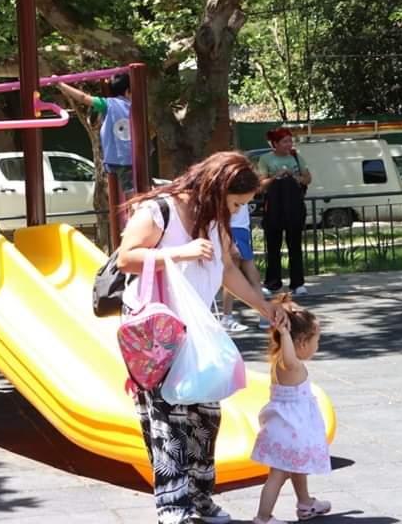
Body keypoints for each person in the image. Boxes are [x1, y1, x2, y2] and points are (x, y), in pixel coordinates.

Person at [116, 151, 288, 524]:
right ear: (216, 189)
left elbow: (226, 270)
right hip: (158, 330)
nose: (238, 210)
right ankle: (173, 506)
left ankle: (200, 498)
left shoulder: (215, 219)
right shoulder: (159, 210)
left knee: (207, 415)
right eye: (236, 203)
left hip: (197, 330)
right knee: (168, 416)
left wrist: (263, 307)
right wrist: (180, 253)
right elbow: (125, 258)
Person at [251, 299, 331, 524]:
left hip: (286, 427)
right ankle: (263, 517)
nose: (317, 346)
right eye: (316, 341)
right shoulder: (290, 364)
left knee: (296, 466)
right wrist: (285, 333)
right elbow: (289, 356)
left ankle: (305, 502)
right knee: (278, 475)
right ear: (302, 342)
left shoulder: (279, 359)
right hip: (291, 430)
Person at [55, 73, 135, 194]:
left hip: (111, 159)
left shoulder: (107, 104)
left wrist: (60, 84)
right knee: (132, 193)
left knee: (121, 192)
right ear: (128, 91)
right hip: (128, 158)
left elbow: (83, 97)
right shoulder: (135, 107)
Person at [258, 128, 311, 297]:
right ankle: (272, 283)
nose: (289, 144)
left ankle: (298, 283)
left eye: (290, 141)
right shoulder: (265, 159)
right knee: (273, 247)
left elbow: (307, 178)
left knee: (295, 246)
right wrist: (276, 176)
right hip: (274, 207)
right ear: (275, 144)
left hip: (294, 207)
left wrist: (293, 176)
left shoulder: (296, 157)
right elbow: (261, 185)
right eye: (285, 141)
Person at [219, 204, 261, 333]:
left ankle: (264, 313)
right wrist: (230, 241)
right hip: (233, 228)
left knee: (253, 276)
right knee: (234, 273)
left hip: (242, 229)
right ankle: (226, 318)